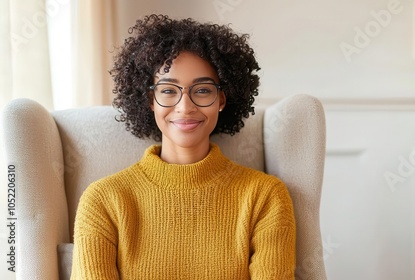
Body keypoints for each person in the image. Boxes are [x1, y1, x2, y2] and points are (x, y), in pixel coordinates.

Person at [71, 14, 296, 279]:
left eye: (202, 90)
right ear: (150, 100)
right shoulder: (103, 200)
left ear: (221, 99)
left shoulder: (265, 197)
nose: (185, 107)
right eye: (168, 90)